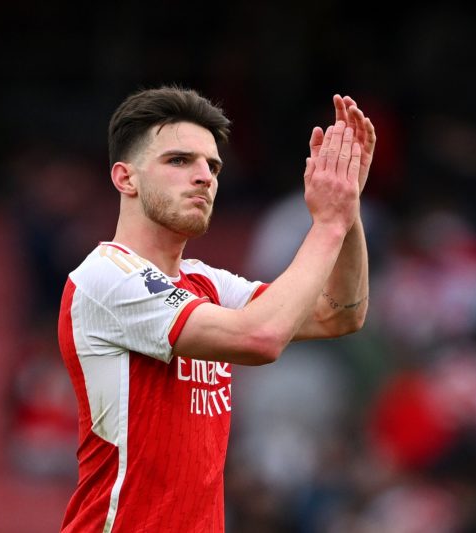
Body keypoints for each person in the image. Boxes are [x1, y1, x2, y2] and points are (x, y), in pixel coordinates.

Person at [57, 85, 376, 532]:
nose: (204, 176)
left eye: (213, 165)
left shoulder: (204, 282)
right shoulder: (106, 277)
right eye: (179, 160)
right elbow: (260, 337)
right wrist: (327, 224)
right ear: (125, 178)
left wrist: (348, 207)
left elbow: (340, 313)